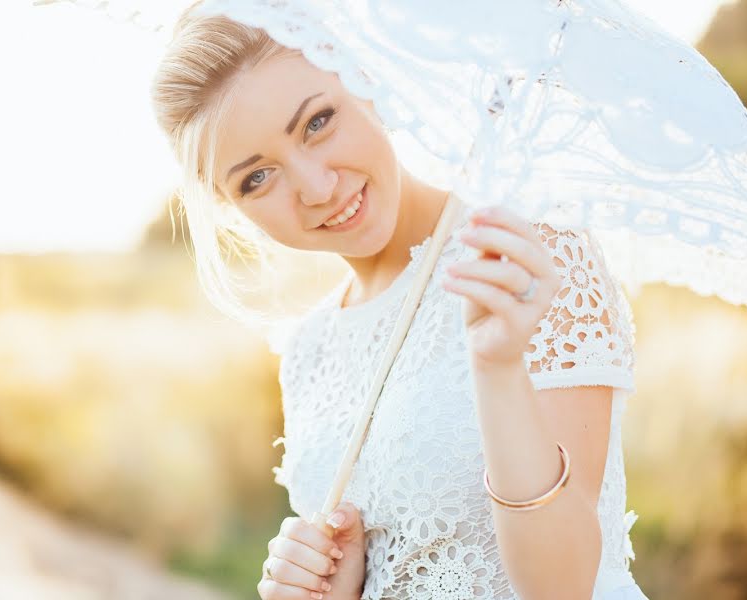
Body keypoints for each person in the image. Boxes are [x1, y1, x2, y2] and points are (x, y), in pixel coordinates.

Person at [150, 6, 649, 600]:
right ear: (231, 206)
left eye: (317, 122)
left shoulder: (524, 253)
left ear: (365, 79)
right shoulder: (308, 352)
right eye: (257, 178)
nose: (316, 187)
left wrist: (497, 369)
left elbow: (562, 586)